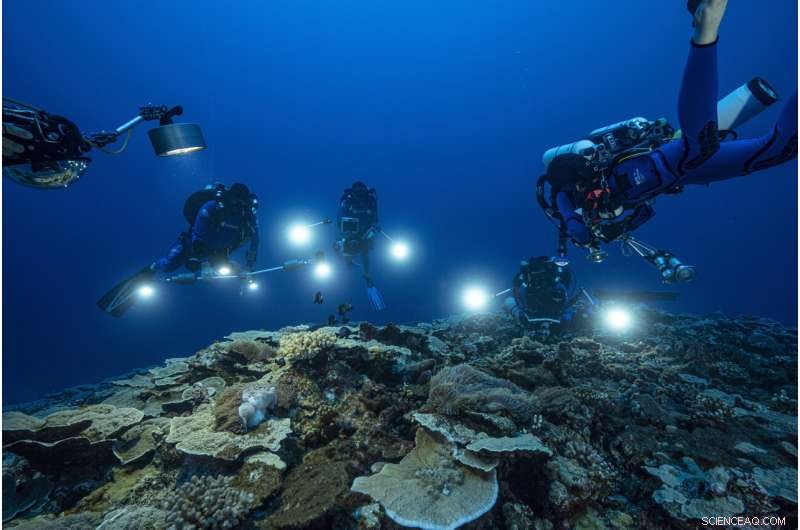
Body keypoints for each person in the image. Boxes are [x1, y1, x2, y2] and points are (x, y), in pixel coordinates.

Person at [541, 0, 797, 275]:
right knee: (779, 150)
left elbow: (565, 209)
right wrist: (623, 227)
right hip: (682, 174)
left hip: (663, 160)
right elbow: (645, 209)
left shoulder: (570, 193)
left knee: (697, 147)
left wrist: (578, 228)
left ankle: (705, 27)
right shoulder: (603, 206)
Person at [97, 182, 259, 316]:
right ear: (229, 198)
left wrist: (249, 266)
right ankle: (147, 273)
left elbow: (255, 241)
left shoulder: (248, 218)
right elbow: (198, 231)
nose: (237, 206)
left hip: (219, 252)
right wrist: (203, 263)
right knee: (168, 264)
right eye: (235, 201)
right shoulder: (212, 206)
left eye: (241, 203)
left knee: (228, 270)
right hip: (192, 247)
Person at [334, 181, 386, 310]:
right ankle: (349, 264)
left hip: (365, 232)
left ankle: (367, 276)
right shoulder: (347, 200)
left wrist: (374, 227)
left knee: (365, 250)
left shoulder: (371, 200)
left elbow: (375, 218)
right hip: (349, 231)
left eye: (361, 191)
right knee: (345, 248)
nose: (359, 194)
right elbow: (340, 218)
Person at [504, 256, 583, 327]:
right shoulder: (556, 287)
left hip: (545, 311)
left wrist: (566, 316)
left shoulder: (558, 290)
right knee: (509, 301)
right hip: (534, 311)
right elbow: (514, 291)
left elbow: (515, 287)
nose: (541, 281)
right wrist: (520, 313)